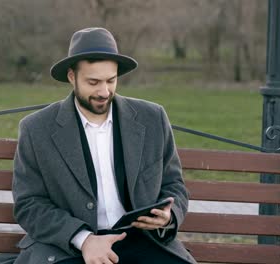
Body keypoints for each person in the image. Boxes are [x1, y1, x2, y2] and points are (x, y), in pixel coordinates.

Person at [11, 27, 196, 264]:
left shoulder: (153, 118)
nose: (104, 91)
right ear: (71, 77)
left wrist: (169, 216)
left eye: (111, 80)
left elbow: (174, 184)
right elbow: (29, 204)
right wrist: (84, 239)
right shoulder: (36, 129)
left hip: (144, 242)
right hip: (69, 247)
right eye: (93, 82)